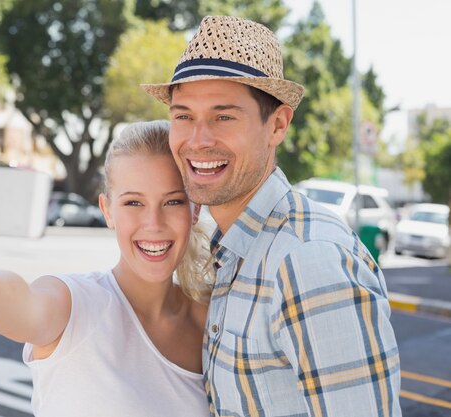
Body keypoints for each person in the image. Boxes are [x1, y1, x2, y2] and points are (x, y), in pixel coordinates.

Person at [142, 16, 402, 416]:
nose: (198, 140)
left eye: (223, 116)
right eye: (183, 116)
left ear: (277, 124)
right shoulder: (234, 248)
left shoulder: (307, 261)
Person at [0, 120, 213, 417]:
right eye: (133, 203)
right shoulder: (75, 305)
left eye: (173, 202)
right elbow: (25, 304)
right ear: (107, 211)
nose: (153, 223)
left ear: (195, 208)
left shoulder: (213, 319)